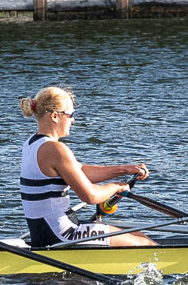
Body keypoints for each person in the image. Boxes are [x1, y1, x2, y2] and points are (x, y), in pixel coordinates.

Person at [15, 86, 155, 249]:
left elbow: (79, 171)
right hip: (63, 234)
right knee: (145, 244)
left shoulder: (32, 143)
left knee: (136, 233)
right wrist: (117, 187)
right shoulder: (56, 150)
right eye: (70, 115)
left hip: (44, 232)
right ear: (55, 116)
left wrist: (125, 169)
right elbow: (91, 196)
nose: (73, 120)